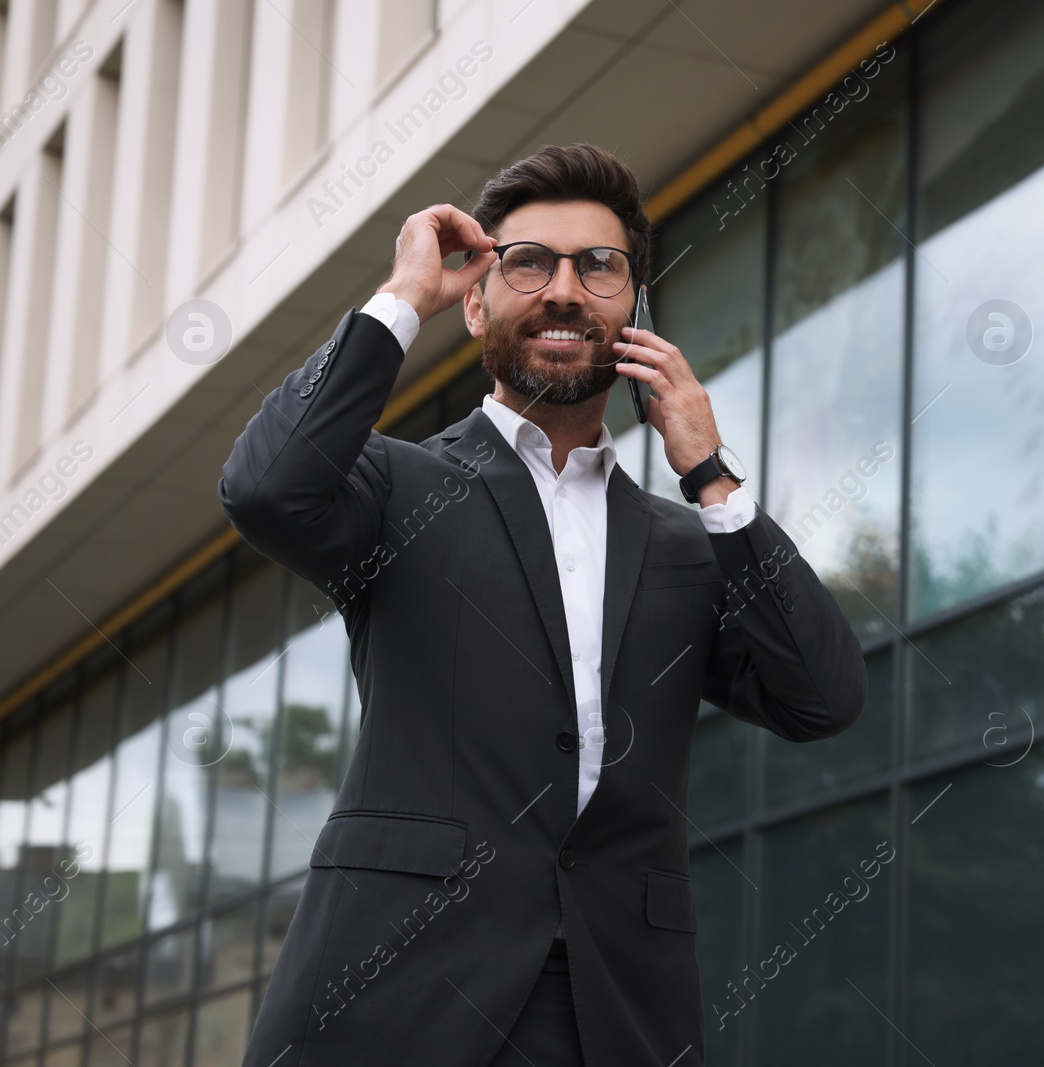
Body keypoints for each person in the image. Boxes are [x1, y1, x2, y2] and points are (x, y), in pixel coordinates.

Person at [219, 142, 866, 1067]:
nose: (564, 290)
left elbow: (823, 696)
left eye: (598, 267)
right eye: (529, 263)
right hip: (393, 998)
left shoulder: (690, 544)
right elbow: (263, 488)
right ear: (476, 299)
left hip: (615, 1009)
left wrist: (711, 474)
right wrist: (401, 300)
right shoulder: (397, 487)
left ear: (634, 310)